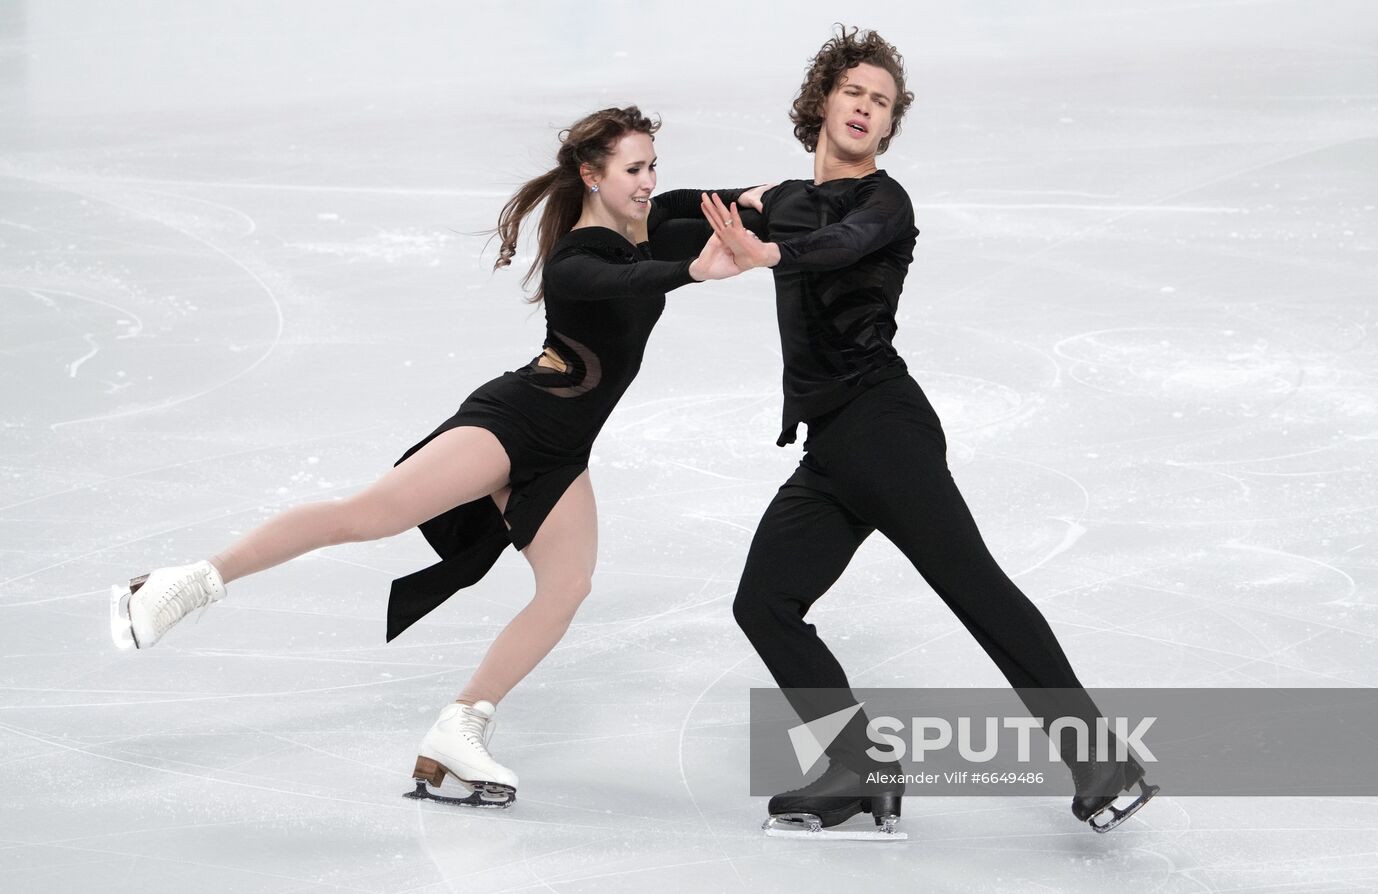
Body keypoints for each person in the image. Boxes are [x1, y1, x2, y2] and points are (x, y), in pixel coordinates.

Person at [109, 105, 741, 808]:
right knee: (368, 515)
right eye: (634, 169)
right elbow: (617, 284)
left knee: (566, 588)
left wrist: (798, 201)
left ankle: (459, 727)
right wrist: (689, 269)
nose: (650, 181)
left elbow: (729, 204)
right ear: (592, 175)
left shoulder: (648, 223)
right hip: (517, 421)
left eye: (653, 166)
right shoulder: (577, 255)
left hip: (565, 450)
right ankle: (182, 584)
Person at [663, 26, 1157, 836]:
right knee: (766, 603)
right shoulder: (776, 198)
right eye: (854, 92)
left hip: (885, 431)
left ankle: (1101, 757)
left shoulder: (883, 203)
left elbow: (836, 245)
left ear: (890, 127)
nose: (865, 107)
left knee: (975, 588)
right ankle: (859, 762)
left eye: (882, 103)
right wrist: (624, 200)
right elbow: (693, 213)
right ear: (823, 100)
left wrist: (770, 251)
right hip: (832, 448)